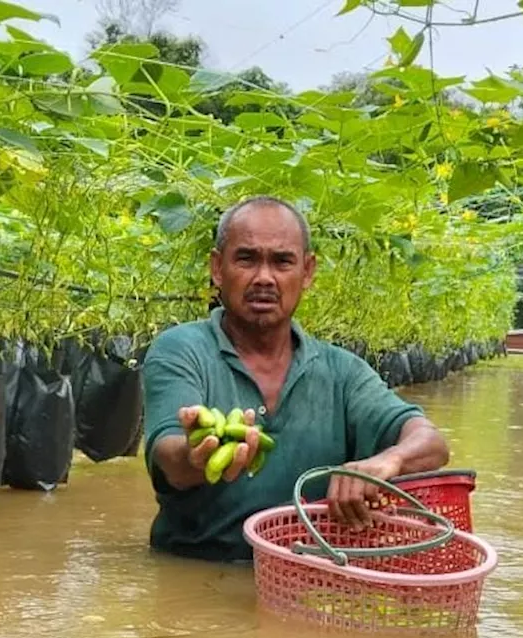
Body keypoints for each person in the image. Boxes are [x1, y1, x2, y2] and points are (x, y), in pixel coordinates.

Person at [140, 195, 450, 562]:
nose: (264, 278)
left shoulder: (341, 371)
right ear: (217, 268)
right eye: (246, 259)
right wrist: (197, 456)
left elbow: (431, 443)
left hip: (307, 576)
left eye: (282, 261)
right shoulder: (182, 350)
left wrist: (387, 462)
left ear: (307, 272)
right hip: (193, 571)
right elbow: (169, 457)